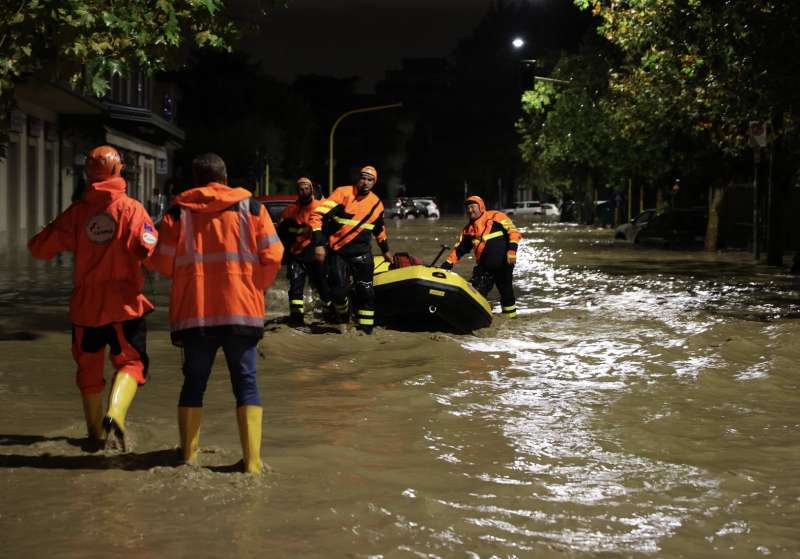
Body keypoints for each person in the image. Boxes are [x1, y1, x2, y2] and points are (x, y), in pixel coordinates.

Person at [147, 153, 283, 473]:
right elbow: (274, 254)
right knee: (246, 383)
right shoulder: (253, 209)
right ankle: (252, 463)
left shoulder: (178, 213)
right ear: (225, 177)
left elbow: (162, 264)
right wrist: (255, 287)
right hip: (242, 311)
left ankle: (187, 457)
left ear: (195, 179)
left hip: (195, 314)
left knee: (194, 382)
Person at [28, 145, 157, 450]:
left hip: (85, 310)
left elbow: (38, 248)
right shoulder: (132, 209)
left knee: (88, 372)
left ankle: (95, 437)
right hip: (125, 306)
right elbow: (150, 252)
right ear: (119, 170)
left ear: (88, 174)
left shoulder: (76, 213)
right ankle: (116, 413)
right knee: (131, 363)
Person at [310, 165, 392, 334]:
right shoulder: (342, 193)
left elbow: (379, 229)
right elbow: (317, 216)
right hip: (338, 252)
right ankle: (344, 318)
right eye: (363, 178)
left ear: (374, 183)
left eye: (370, 180)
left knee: (367, 293)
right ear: (358, 179)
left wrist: (385, 250)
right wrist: (318, 244)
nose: (365, 182)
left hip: (362, 254)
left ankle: (366, 331)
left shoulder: (377, 204)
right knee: (339, 293)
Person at [441, 195, 522, 318]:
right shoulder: (468, 230)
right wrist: (447, 265)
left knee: (507, 294)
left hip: (504, 263)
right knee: (474, 292)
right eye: (468, 208)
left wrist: (512, 250)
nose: (470, 210)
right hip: (485, 268)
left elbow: (514, 233)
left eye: (472, 207)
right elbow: (459, 250)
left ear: (481, 207)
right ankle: (477, 316)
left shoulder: (496, 217)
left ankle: (510, 321)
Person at [276, 176, 333, 326]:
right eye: (300, 189)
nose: (303, 191)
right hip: (297, 254)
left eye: (306, 188)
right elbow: (281, 235)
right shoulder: (289, 211)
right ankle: (296, 320)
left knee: (322, 287)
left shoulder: (321, 207)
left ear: (311, 190)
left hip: (315, 254)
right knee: (295, 289)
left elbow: (329, 231)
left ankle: (330, 314)